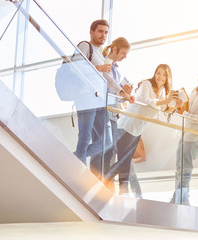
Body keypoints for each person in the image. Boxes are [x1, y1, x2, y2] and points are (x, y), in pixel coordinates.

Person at [104, 64, 180, 195]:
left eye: (164, 75)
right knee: (124, 162)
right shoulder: (146, 84)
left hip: (138, 129)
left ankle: (120, 190)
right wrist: (166, 101)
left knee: (125, 162)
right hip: (127, 125)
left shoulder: (162, 92)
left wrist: (173, 106)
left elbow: (161, 109)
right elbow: (146, 101)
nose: (160, 77)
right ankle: (109, 182)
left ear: (168, 78)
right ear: (154, 74)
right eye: (158, 73)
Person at [73, 20, 133, 175]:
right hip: (86, 98)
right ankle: (79, 170)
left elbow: (109, 79)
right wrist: (98, 68)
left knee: (107, 141)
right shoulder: (85, 46)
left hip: (99, 101)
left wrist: (123, 93)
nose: (103, 35)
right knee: (85, 138)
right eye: (100, 31)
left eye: (106, 32)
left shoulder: (100, 54)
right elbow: (74, 67)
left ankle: (76, 157)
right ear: (91, 32)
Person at [170, 70, 198, 205]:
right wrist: (181, 109)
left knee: (185, 168)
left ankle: (180, 198)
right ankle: (181, 197)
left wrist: (186, 114)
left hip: (196, 137)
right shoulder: (194, 91)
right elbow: (189, 110)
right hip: (186, 134)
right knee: (179, 166)